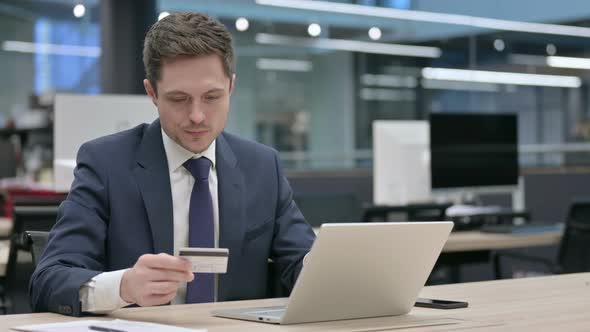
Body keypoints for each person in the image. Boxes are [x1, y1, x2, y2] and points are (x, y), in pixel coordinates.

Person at [30, 12, 316, 316]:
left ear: (231, 87)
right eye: (179, 99)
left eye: (211, 97)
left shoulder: (261, 167)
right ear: (152, 93)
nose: (196, 115)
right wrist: (123, 286)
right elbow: (49, 280)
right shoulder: (106, 165)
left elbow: (305, 264)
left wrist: (332, 269)